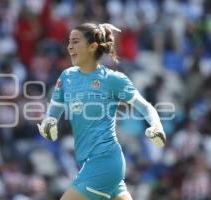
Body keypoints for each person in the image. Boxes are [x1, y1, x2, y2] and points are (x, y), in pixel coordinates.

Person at [37, 23, 166, 200]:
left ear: (92, 47)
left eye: (75, 42)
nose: (69, 47)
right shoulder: (66, 77)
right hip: (91, 163)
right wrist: (48, 124)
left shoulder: (113, 79)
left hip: (104, 161)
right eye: (69, 42)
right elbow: (53, 111)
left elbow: (145, 106)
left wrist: (156, 126)